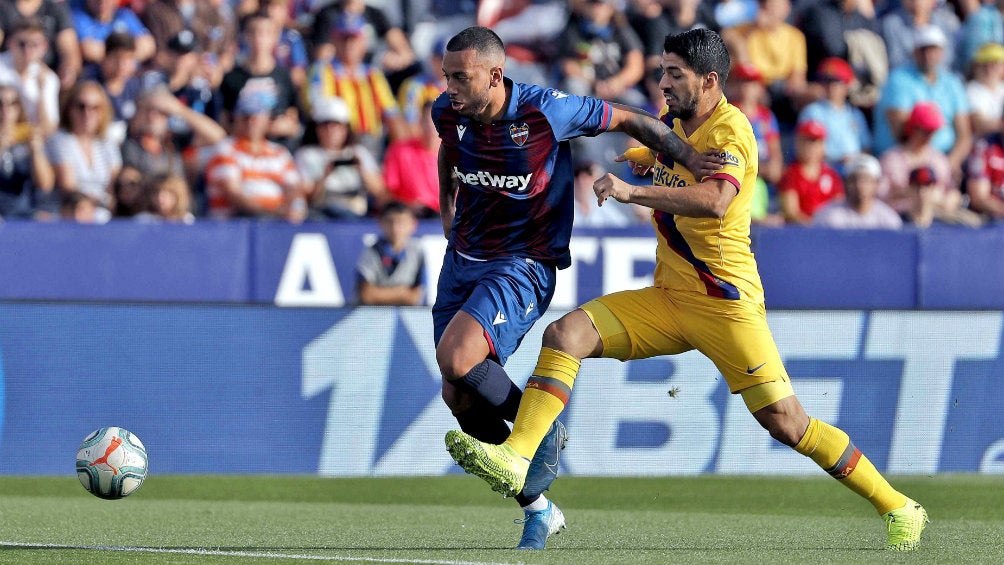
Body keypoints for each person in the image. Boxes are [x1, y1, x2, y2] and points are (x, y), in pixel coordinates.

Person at [444, 28, 929, 553]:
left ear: (710, 80)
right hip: (668, 298)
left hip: (725, 305)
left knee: (788, 425)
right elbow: (672, 162)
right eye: (662, 71)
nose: (663, 82)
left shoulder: (731, 130)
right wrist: (648, 161)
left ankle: (898, 506)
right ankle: (519, 454)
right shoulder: (675, 126)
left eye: (675, 73)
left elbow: (716, 200)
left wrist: (633, 190)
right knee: (565, 334)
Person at [432, 25, 721, 551]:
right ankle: (539, 507)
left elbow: (631, 118)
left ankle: (539, 436)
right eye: (447, 76)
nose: (449, 87)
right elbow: (450, 152)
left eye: (461, 77)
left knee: (456, 358)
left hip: (522, 262)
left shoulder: (547, 110)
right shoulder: (447, 111)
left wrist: (687, 157)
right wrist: (447, 208)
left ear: (496, 75)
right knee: (458, 393)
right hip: (462, 261)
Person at [294, 96, 385, 220]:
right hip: (322, 211)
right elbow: (307, 197)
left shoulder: (358, 152)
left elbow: (379, 191)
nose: (331, 131)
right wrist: (325, 174)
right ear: (316, 129)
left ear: (345, 128)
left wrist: (361, 170)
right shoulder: (306, 155)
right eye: (325, 125)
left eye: (336, 125)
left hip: (356, 208)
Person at [46, 80, 120, 222]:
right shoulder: (61, 140)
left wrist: (105, 202)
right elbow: (68, 187)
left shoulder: (107, 144)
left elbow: (113, 187)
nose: (87, 113)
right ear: (69, 108)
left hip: (102, 214)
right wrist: (100, 201)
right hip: (70, 212)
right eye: (81, 106)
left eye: (95, 108)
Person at [354, 201, 426, 306]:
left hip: (405, 317)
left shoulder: (417, 251)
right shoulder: (371, 252)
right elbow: (367, 296)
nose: (395, 228)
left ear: (412, 224)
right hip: (370, 317)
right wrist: (402, 293)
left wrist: (380, 293)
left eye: (401, 222)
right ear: (380, 223)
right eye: (390, 221)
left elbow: (415, 297)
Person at [0, 83, 53, 218]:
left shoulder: (28, 138)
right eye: (0, 103)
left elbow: (45, 185)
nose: (5, 109)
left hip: (24, 211)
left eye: (12, 103)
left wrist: (36, 152)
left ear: (19, 108)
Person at [778, 120, 844, 224]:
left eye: (815, 142)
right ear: (798, 143)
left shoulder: (831, 175)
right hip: (801, 233)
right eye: (807, 141)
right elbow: (791, 212)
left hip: (829, 231)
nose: (811, 147)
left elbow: (839, 206)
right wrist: (815, 227)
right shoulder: (790, 175)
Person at [382, 99, 440, 218]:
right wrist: (407, 205)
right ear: (419, 122)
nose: (431, 128)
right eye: (426, 122)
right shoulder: (399, 152)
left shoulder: (458, 155)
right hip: (407, 217)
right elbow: (387, 192)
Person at [813, 153, 903, 229]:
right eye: (854, 180)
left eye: (866, 180)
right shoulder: (828, 216)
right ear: (845, 183)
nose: (859, 186)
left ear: (876, 183)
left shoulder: (888, 219)